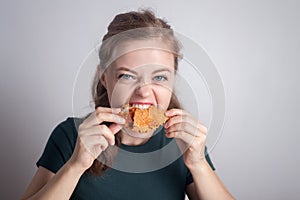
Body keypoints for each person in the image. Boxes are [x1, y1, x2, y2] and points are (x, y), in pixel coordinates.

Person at [21, 9, 234, 200]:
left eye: (159, 77)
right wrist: (76, 166)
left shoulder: (183, 142)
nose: (143, 91)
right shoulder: (70, 136)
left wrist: (198, 164)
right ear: (105, 78)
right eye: (127, 76)